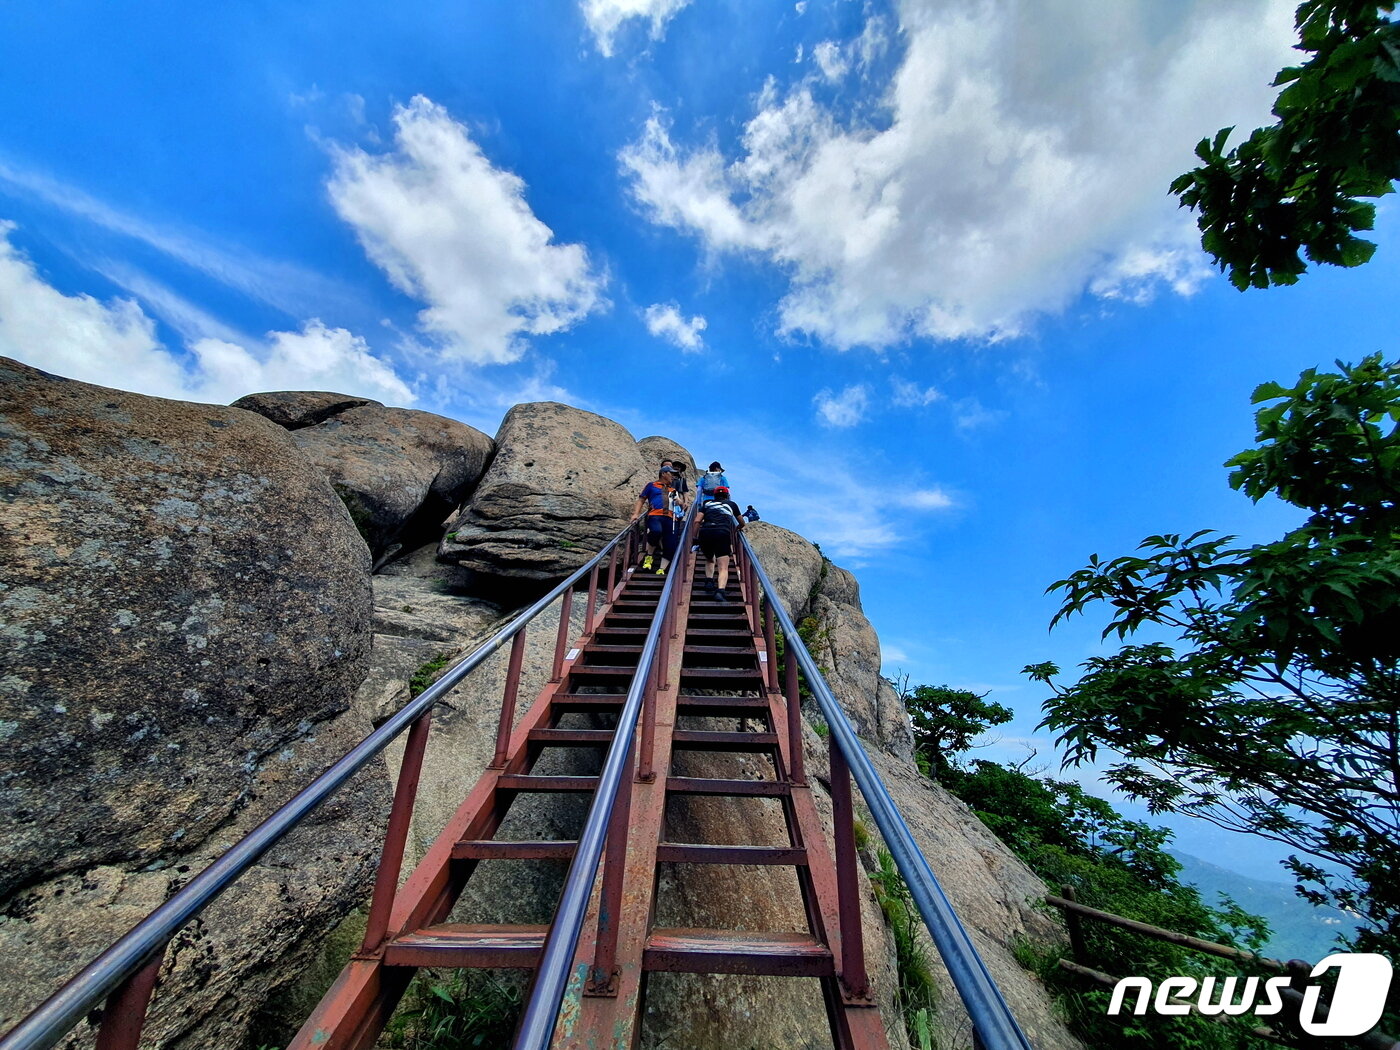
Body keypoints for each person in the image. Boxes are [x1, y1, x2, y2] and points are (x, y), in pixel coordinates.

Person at [697, 485, 744, 600]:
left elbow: (697, 520)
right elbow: (741, 521)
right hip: (722, 532)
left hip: (706, 532)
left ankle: (709, 581)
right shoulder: (732, 504)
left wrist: (694, 538)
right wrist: (739, 527)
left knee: (709, 558)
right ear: (727, 495)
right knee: (723, 566)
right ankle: (720, 591)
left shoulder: (707, 504)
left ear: (714, 495)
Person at [632, 466, 678, 574]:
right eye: (671, 473)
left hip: (670, 518)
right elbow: (641, 500)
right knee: (656, 531)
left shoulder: (672, 490)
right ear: (663, 474)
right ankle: (649, 557)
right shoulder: (651, 485)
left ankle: (661, 569)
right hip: (655, 514)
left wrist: (681, 502)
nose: (673, 476)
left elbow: (678, 501)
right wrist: (635, 514)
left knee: (670, 544)